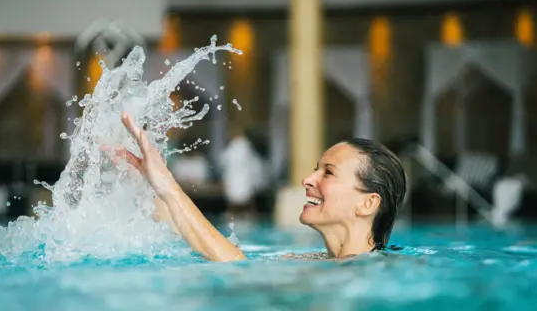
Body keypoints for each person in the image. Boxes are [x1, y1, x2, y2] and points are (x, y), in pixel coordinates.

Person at [112, 112, 407, 262]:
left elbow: (234, 267)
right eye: (315, 168)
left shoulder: (375, 272)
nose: (307, 179)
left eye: (328, 172)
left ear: (368, 203)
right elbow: (221, 252)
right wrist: (151, 184)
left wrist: (170, 187)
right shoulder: (313, 261)